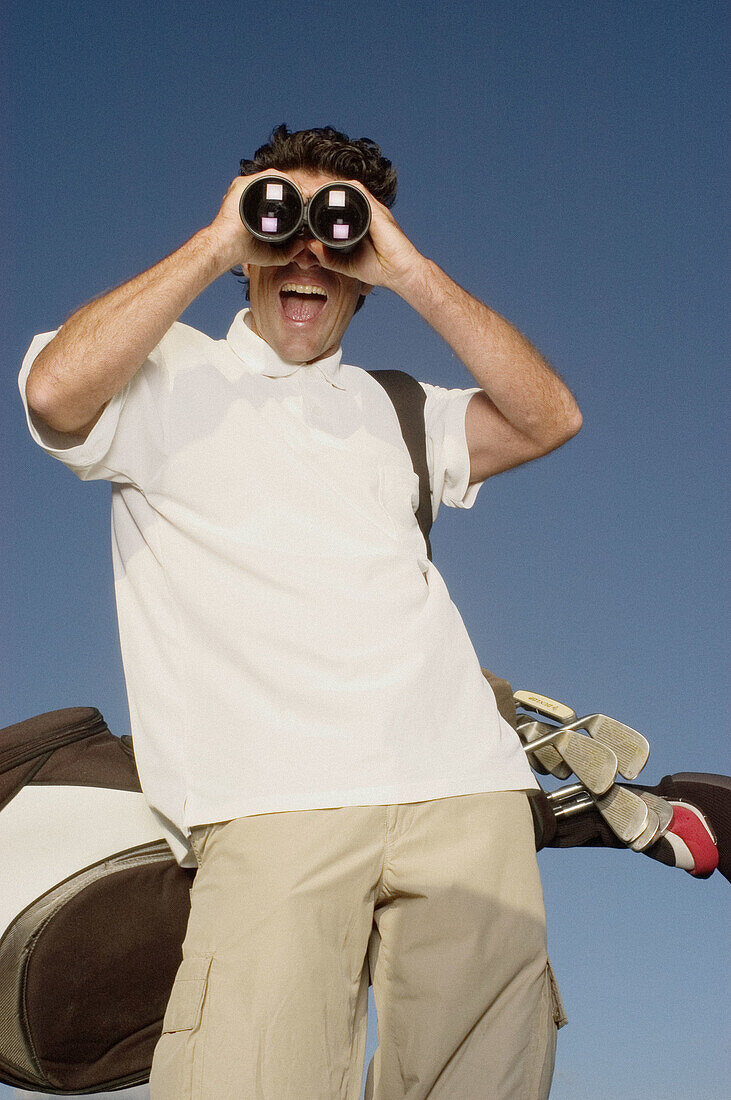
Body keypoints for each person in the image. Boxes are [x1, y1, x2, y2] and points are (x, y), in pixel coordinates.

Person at [19, 125, 582, 1099]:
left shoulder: (398, 407)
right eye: (284, 225)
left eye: (340, 233)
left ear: (364, 272)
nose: (309, 252)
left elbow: (548, 416)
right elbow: (53, 393)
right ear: (250, 254)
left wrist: (409, 269)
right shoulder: (165, 376)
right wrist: (215, 240)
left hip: (461, 794)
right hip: (268, 802)